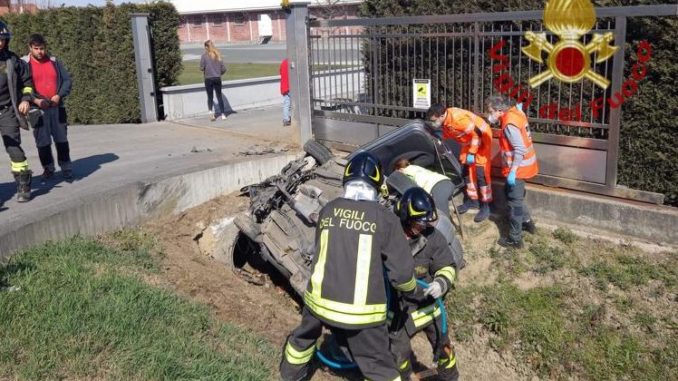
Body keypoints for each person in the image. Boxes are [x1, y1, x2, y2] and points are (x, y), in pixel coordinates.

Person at [280, 152, 420, 381]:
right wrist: (411, 292)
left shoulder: (328, 210)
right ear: (377, 184)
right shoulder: (385, 219)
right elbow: (402, 275)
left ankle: (289, 376)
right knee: (379, 367)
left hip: (317, 304)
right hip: (360, 314)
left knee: (301, 342)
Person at [389, 187, 459, 381]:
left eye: (427, 220)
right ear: (406, 217)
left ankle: (450, 377)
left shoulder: (433, 238)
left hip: (428, 305)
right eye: (420, 221)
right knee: (399, 355)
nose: (425, 225)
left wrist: (441, 283)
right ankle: (404, 376)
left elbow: (447, 265)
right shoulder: (388, 235)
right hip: (398, 311)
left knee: (445, 350)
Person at [485, 95, 538, 248]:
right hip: (525, 166)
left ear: (500, 110)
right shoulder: (516, 113)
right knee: (515, 197)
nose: (490, 115)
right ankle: (527, 223)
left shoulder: (509, 123)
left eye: (491, 111)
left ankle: (515, 239)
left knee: (514, 204)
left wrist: (513, 171)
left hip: (518, 170)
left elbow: (519, 148)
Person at [427, 103, 493, 223]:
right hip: (469, 142)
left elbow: (477, 133)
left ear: (441, 116)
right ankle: (473, 201)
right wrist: (438, 139)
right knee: (467, 172)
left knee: (480, 174)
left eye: (434, 120)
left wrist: (472, 153)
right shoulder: (446, 120)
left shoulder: (458, 119)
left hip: (482, 140)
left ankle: (485, 205)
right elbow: (449, 133)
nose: (433, 123)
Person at [22, 33, 73, 182]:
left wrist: (59, 95)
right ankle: (48, 169)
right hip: (37, 109)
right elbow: (21, 86)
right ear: (30, 48)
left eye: (42, 48)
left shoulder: (54, 61)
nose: (40, 52)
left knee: (62, 139)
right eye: (36, 48)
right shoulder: (23, 64)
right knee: (42, 142)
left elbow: (67, 81)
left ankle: (66, 168)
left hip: (57, 107)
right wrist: (35, 101)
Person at [0, 21, 34, 202]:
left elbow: (27, 83)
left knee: (13, 148)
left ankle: (23, 183)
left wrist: (25, 99)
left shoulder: (13, 61)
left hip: (7, 110)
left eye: (2, 39)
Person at [393, 158, 458, 252]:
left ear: (400, 169)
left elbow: (415, 190)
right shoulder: (415, 167)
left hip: (438, 188)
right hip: (447, 182)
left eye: (397, 171)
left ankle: (450, 241)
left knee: (441, 220)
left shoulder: (407, 173)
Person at [200, 40, 226, 121]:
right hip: (217, 78)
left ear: (206, 47)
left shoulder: (204, 56)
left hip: (208, 78)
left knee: (210, 96)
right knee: (219, 97)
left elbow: (201, 67)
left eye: (205, 47)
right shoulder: (218, 55)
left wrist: (205, 69)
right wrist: (218, 73)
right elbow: (224, 69)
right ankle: (223, 114)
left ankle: (211, 113)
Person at [280, 58, 291, 126]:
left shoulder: (284, 62)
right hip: (290, 86)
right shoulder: (292, 63)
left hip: (284, 86)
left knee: (286, 103)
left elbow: (280, 72)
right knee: (292, 104)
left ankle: (286, 119)